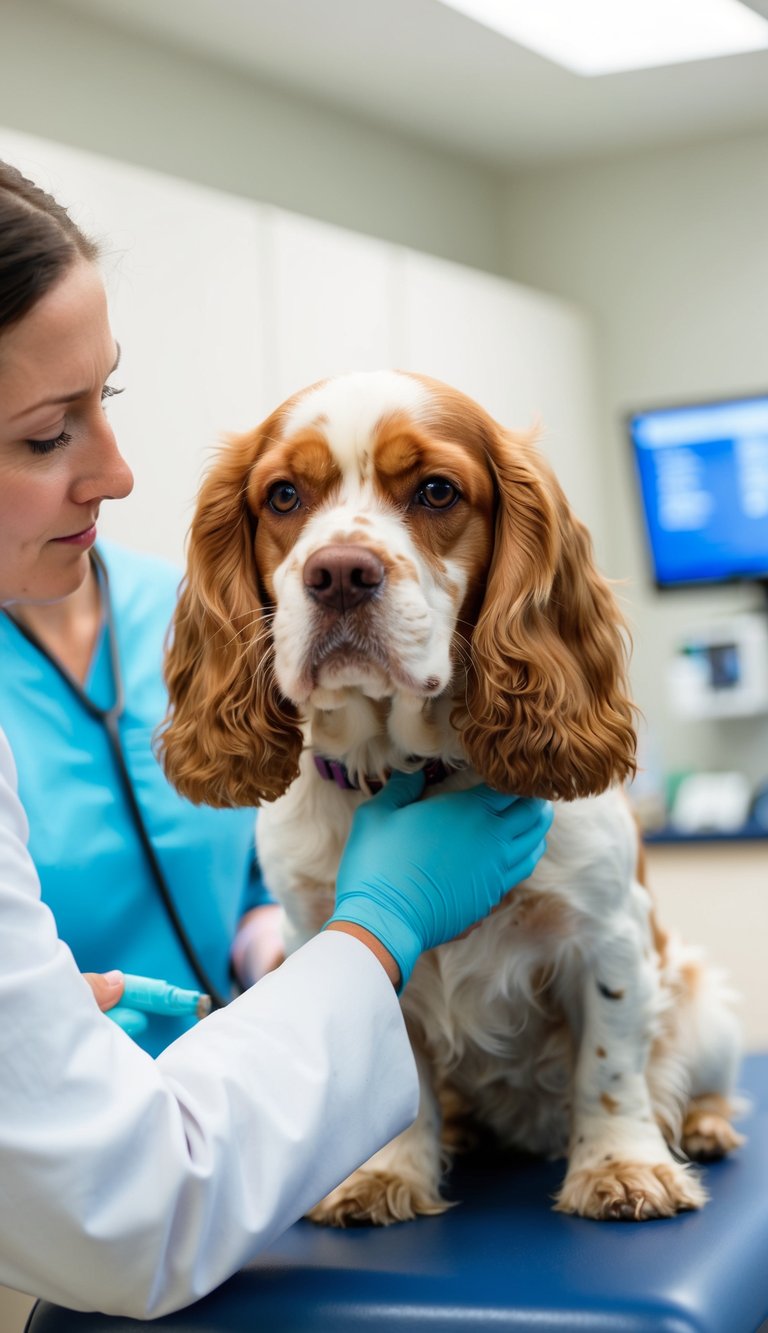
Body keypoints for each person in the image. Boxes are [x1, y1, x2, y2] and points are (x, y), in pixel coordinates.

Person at [0, 159, 553, 1319]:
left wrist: (277, 940)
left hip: (255, 1114)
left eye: (108, 395)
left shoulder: (177, 604)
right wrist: (375, 926)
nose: (118, 471)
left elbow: (257, 844)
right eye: (47, 435)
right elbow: (122, 1212)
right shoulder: (240, 598)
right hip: (139, 1205)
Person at [0, 531, 284, 1055]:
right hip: (59, 1089)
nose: (117, 487)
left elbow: (255, 877)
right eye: (45, 445)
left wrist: (275, 959)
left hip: (230, 1078)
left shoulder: (187, 610)